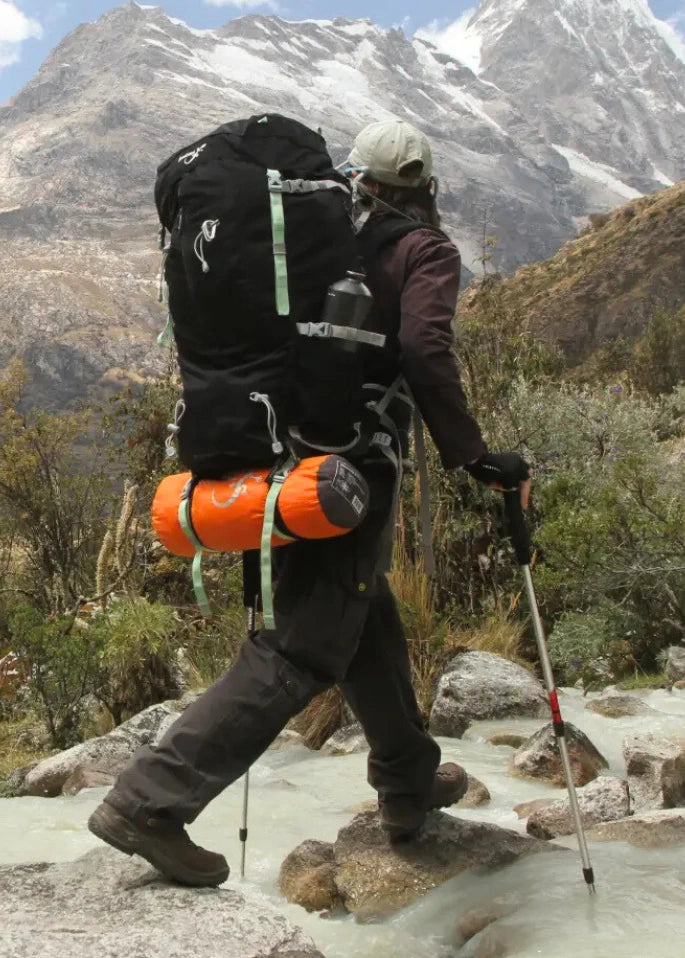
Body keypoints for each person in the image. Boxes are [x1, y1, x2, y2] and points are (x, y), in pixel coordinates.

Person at [88, 119, 531, 888]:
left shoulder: (316, 242)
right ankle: (150, 801)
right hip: (350, 466)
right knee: (299, 648)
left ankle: (409, 782)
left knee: (368, 624)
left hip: (281, 455)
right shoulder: (421, 248)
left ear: (356, 179)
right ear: (424, 185)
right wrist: (474, 456)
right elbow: (426, 352)